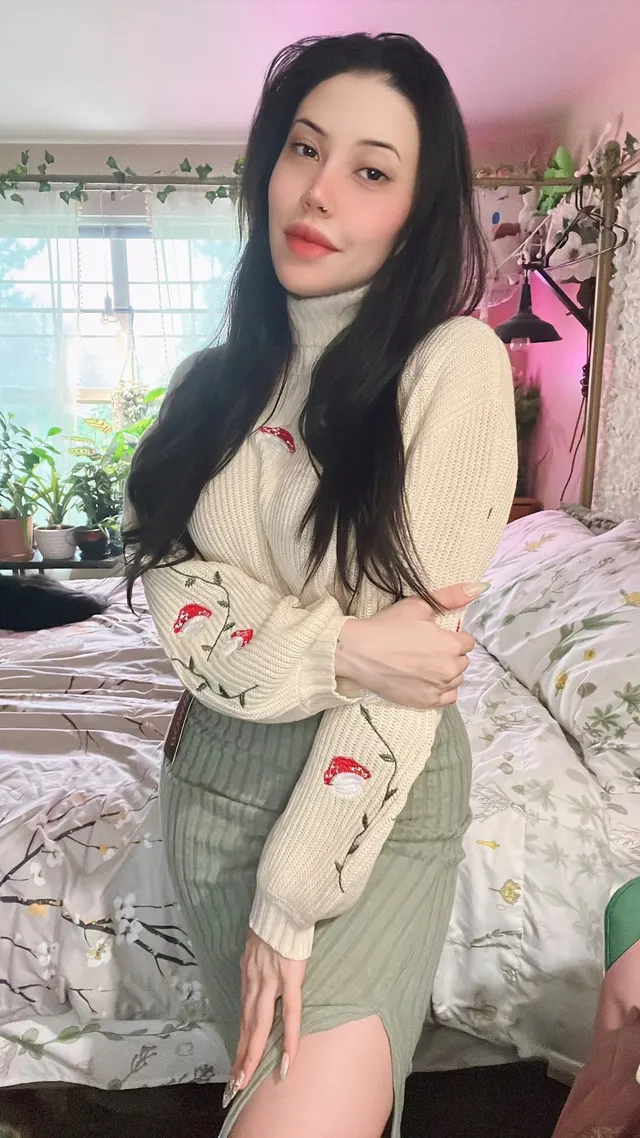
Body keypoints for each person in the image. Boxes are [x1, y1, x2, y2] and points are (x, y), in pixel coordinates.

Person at [123, 32, 518, 1138]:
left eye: (371, 170)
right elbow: (173, 592)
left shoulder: (452, 365)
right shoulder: (209, 384)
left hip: (364, 811)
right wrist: (343, 644)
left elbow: (410, 679)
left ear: (416, 212)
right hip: (209, 787)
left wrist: (291, 899)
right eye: (304, 148)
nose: (320, 192)